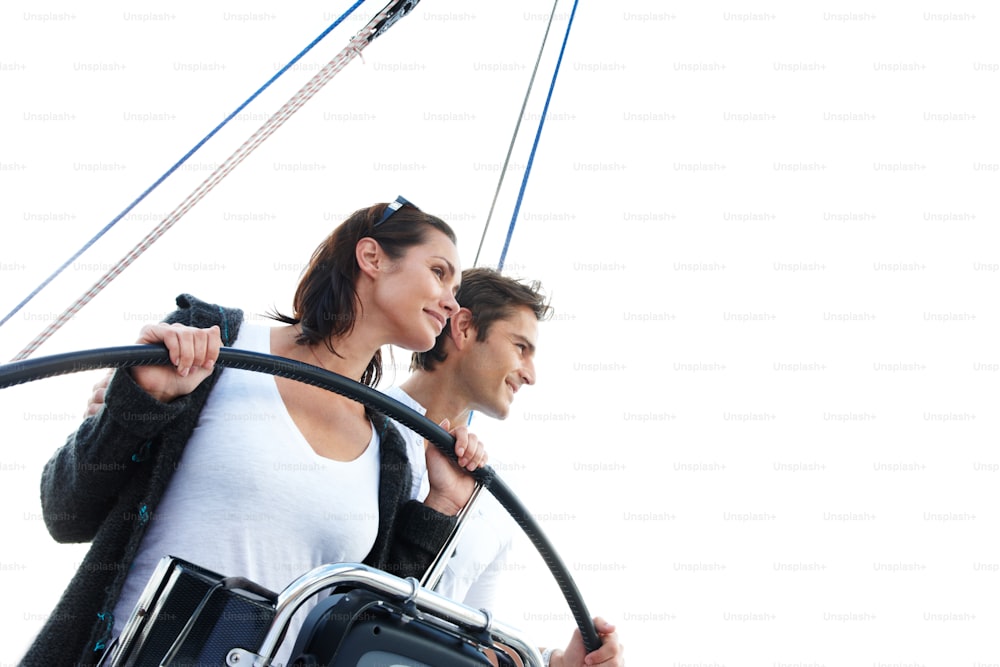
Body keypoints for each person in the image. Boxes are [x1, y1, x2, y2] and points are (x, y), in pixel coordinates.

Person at [20, 198, 489, 667]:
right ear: (371, 258)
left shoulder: (389, 450)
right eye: (439, 271)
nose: (452, 300)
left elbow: (369, 622)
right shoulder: (211, 343)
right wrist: (142, 399)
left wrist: (442, 504)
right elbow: (66, 511)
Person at [386, 267, 625, 667]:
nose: (530, 375)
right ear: (463, 328)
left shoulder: (497, 497)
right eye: (520, 348)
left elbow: (474, 638)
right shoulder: (359, 427)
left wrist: (555, 663)